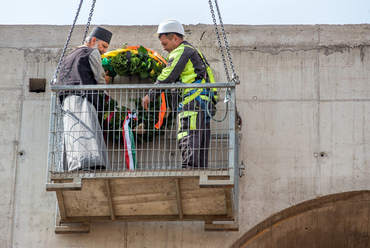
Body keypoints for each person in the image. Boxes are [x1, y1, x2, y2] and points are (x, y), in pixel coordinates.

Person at [141, 19, 217, 168]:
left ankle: (189, 168)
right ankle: (199, 168)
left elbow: (167, 76)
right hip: (203, 101)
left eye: (165, 44)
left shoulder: (181, 51)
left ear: (175, 38)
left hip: (192, 100)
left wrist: (150, 95)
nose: (164, 49)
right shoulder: (193, 51)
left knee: (188, 134)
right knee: (200, 138)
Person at [57, 26, 113, 172]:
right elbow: (99, 78)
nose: (104, 50)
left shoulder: (69, 54)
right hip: (82, 97)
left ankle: (74, 166)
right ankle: (90, 165)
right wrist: (107, 95)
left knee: (72, 133)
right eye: (104, 46)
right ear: (93, 40)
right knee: (86, 130)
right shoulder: (92, 51)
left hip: (66, 100)